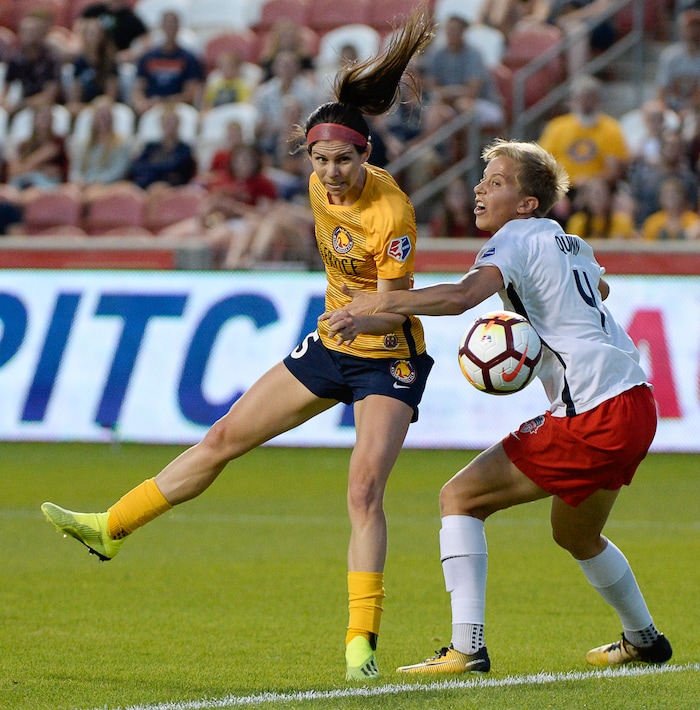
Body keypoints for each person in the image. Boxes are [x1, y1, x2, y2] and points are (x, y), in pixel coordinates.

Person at [41, 6, 436, 683]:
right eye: (322, 160)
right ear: (308, 158)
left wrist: (358, 319)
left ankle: (360, 643)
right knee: (223, 437)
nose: (334, 173)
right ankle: (110, 527)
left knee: (363, 492)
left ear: (366, 156)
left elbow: (394, 304)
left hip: (386, 358)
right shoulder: (315, 184)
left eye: (345, 160)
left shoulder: (390, 212)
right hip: (331, 345)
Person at [320, 138, 672, 674]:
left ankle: (467, 647)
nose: (480, 190)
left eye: (497, 182)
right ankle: (645, 640)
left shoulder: (512, 240)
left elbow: (462, 297)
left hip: (594, 408)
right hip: (635, 400)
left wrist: (384, 301)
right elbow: (597, 288)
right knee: (574, 533)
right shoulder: (569, 242)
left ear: (527, 203)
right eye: (482, 180)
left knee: (459, 497)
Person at [130, 11, 205, 116]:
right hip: (151, 106)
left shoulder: (188, 58)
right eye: (167, 25)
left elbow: (190, 94)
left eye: (173, 25)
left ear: (178, 28)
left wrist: (164, 102)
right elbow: (139, 87)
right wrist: (141, 103)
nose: (170, 29)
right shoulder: (148, 57)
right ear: (162, 27)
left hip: (177, 108)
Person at [128, 106, 196, 189]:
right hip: (145, 185)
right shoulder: (150, 147)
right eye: (167, 122)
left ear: (178, 124)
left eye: (172, 122)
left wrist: (152, 167)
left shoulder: (184, 149)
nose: (170, 126)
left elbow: (175, 167)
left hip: (171, 188)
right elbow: (137, 167)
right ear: (161, 124)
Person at [565, 176, 636, 240]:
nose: (598, 199)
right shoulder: (578, 221)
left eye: (602, 194)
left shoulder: (621, 221)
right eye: (594, 194)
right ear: (586, 198)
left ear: (609, 196)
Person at [640, 175, 700, 240]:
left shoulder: (693, 220)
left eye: (675, 194)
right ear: (660, 198)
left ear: (683, 197)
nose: (671, 198)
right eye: (667, 194)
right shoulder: (653, 222)